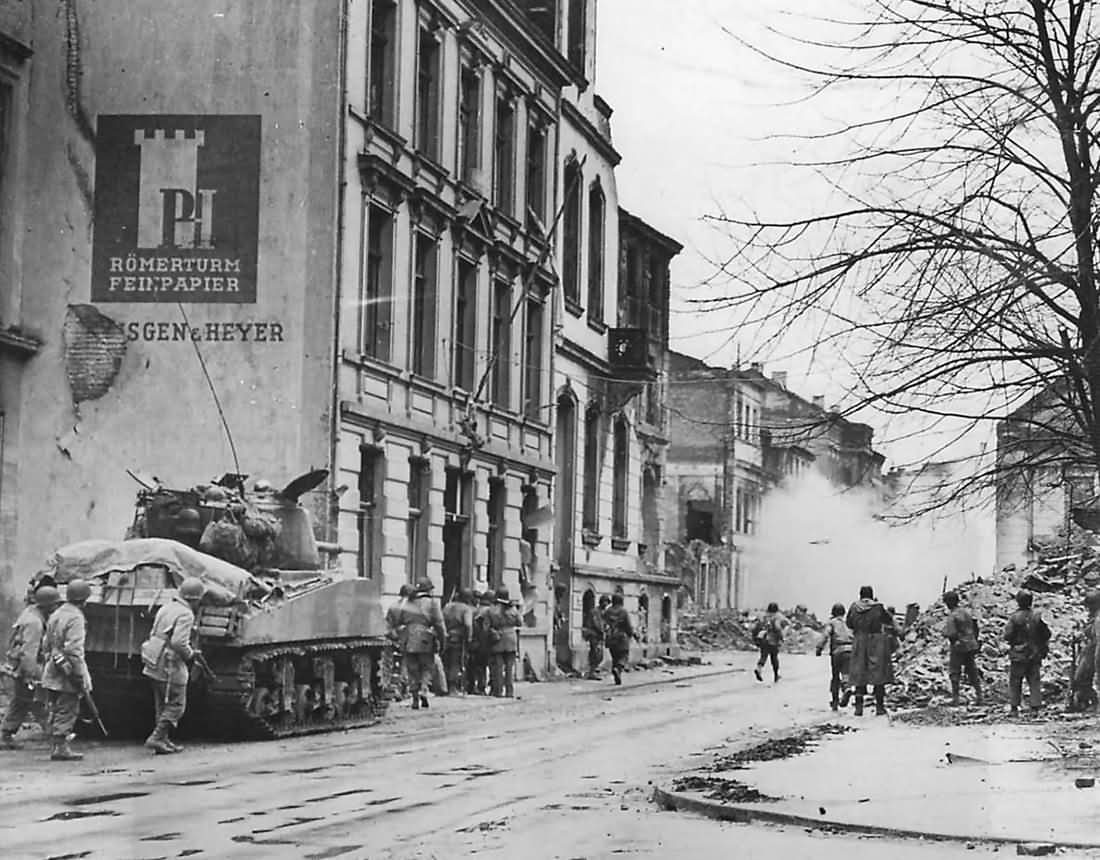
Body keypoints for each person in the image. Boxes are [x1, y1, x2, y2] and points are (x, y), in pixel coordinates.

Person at [140, 577, 204, 754]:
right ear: (195, 599)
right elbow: (179, 642)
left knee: (162, 703)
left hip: (153, 658)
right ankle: (157, 738)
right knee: (176, 704)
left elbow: (154, 632)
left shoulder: (166, 607)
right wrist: (191, 656)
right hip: (170, 663)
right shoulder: (186, 614)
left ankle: (164, 740)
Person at [1, 585, 61, 749]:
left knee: (21, 701)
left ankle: (7, 733)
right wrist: (33, 675)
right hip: (26, 668)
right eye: (54, 604)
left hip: (18, 665)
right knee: (37, 701)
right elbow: (29, 652)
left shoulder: (30, 613)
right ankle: (54, 736)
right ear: (47, 605)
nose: (56, 608)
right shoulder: (34, 623)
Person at [41, 579, 93, 762]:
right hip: (68, 670)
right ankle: (61, 747)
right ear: (84, 599)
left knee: (55, 706)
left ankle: (56, 742)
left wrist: (53, 659)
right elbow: (74, 651)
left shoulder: (56, 613)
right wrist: (79, 676)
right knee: (68, 708)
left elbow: (45, 644)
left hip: (53, 666)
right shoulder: (76, 617)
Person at [846, 585, 898, 716]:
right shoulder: (878, 607)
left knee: (859, 672)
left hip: (859, 640)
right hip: (876, 641)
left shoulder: (853, 607)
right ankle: (879, 707)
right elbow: (888, 619)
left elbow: (849, 623)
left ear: (860, 595)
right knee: (878, 673)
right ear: (871, 594)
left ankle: (859, 708)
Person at [397, 578, 445, 710]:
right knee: (427, 666)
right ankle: (423, 689)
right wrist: (442, 641)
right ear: (429, 589)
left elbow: (398, 620)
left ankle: (415, 698)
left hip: (408, 639)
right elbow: (440, 624)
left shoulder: (408, 603)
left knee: (412, 669)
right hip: (425, 639)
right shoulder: (432, 603)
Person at [1002, 589, 1050, 716]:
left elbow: (1008, 635)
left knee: (1015, 681)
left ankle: (1014, 708)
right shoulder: (1037, 616)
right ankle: (1035, 708)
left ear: (1018, 602)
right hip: (1034, 653)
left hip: (1019, 653)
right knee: (1034, 680)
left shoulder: (1014, 617)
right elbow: (1047, 634)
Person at [942, 591, 983, 707]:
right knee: (972, 671)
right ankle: (980, 696)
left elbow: (952, 633)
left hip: (958, 646)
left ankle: (955, 698)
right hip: (970, 645)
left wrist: (944, 633)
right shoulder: (966, 612)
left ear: (949, 602)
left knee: (954, 672)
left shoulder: (953, 616)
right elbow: (976, 627)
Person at [816, 602, 853, 710]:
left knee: (835, 676)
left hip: (837, 651)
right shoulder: (848, 623)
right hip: (850, 650)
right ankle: (847, 688)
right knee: (846, 673)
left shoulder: (831, 623)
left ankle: (835, 701)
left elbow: (825, 635)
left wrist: (819, 648)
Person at [489, 587, 522, 698]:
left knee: (498, 666)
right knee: (509, 667)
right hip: (511, 638)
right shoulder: (513, 610)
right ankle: (509, 691)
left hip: (497, 638)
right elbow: (520, 622)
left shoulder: (492, 610)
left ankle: (498, 691)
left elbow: (487, 625)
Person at [1070, 590, 1100, 711]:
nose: (1087, 608)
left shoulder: (1098, 619)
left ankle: (1095, 703)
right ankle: (1088, 701)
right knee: (1080, 677)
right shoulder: (1094, 617)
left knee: (1082, 677)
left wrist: (1097, 660)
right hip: (1090, 649)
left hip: (1095, 650)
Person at [442, 589, 475, 695]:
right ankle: (453, 687)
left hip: (446, 636)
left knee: (446, 662)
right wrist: (469, 637)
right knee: (456, 663)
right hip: (459, 638)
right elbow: (468, 624)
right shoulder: (466, 609)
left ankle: (444, 685)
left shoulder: (447, 606)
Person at [385, 585, 412, 700]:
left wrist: (394, 635)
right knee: (407, 664)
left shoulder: (393, 606)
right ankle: (402, 689)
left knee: (394, 665)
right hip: (409, 639)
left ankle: (394, 687)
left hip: (394, 639)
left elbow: (387, 625)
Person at [602, 593, 635, 686]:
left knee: (615, 657)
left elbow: (604, 623)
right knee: (624, 656)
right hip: (622, 638)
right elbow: (628, 625)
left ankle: (617, 676)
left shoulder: (608, 611)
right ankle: (618, 669)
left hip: (611, 638)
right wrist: (631, 634)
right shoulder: (623, 612)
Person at [753, 602, 787, 683]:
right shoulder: (777, 617)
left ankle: (759, 668)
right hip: (773, 640)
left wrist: (755, 639)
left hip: (762, 638)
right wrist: (782, 637)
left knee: (763, 656)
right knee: (774, 657)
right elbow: (778, 628)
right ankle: (776, 675)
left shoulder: (763, 616)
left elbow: (755, 628)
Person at [581, 595, 609, 680]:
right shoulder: (595, 611)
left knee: (599, 655)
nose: (606, 604)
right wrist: (603, 630)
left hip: (599, 636)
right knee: (596, 654)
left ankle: (591, 672)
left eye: (607, 602)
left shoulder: (603, 612)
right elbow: (596, 623)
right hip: (594, 635)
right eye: (605, 602)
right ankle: (591, 673)